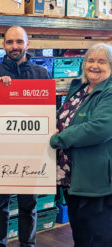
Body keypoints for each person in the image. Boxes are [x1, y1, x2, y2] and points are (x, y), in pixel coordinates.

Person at [0, 26, 51, 247]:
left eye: (19, 42)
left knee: (28, 205)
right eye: (10, 42)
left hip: (30, 152)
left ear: (27, 44)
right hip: (0, 151)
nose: (15, 47)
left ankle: (27, 244)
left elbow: (48, 113)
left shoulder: (42, 75)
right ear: (3, 45)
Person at [50, 43, 112, 247]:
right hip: (71, 178)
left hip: (95, 179)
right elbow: (66, 118)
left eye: (101, 61)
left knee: (99, 237)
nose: (94, 65)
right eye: (90, 60)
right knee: (80, 233)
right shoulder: (80, 88)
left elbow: (99, 128)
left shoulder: (109, 92)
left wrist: (58, 138)